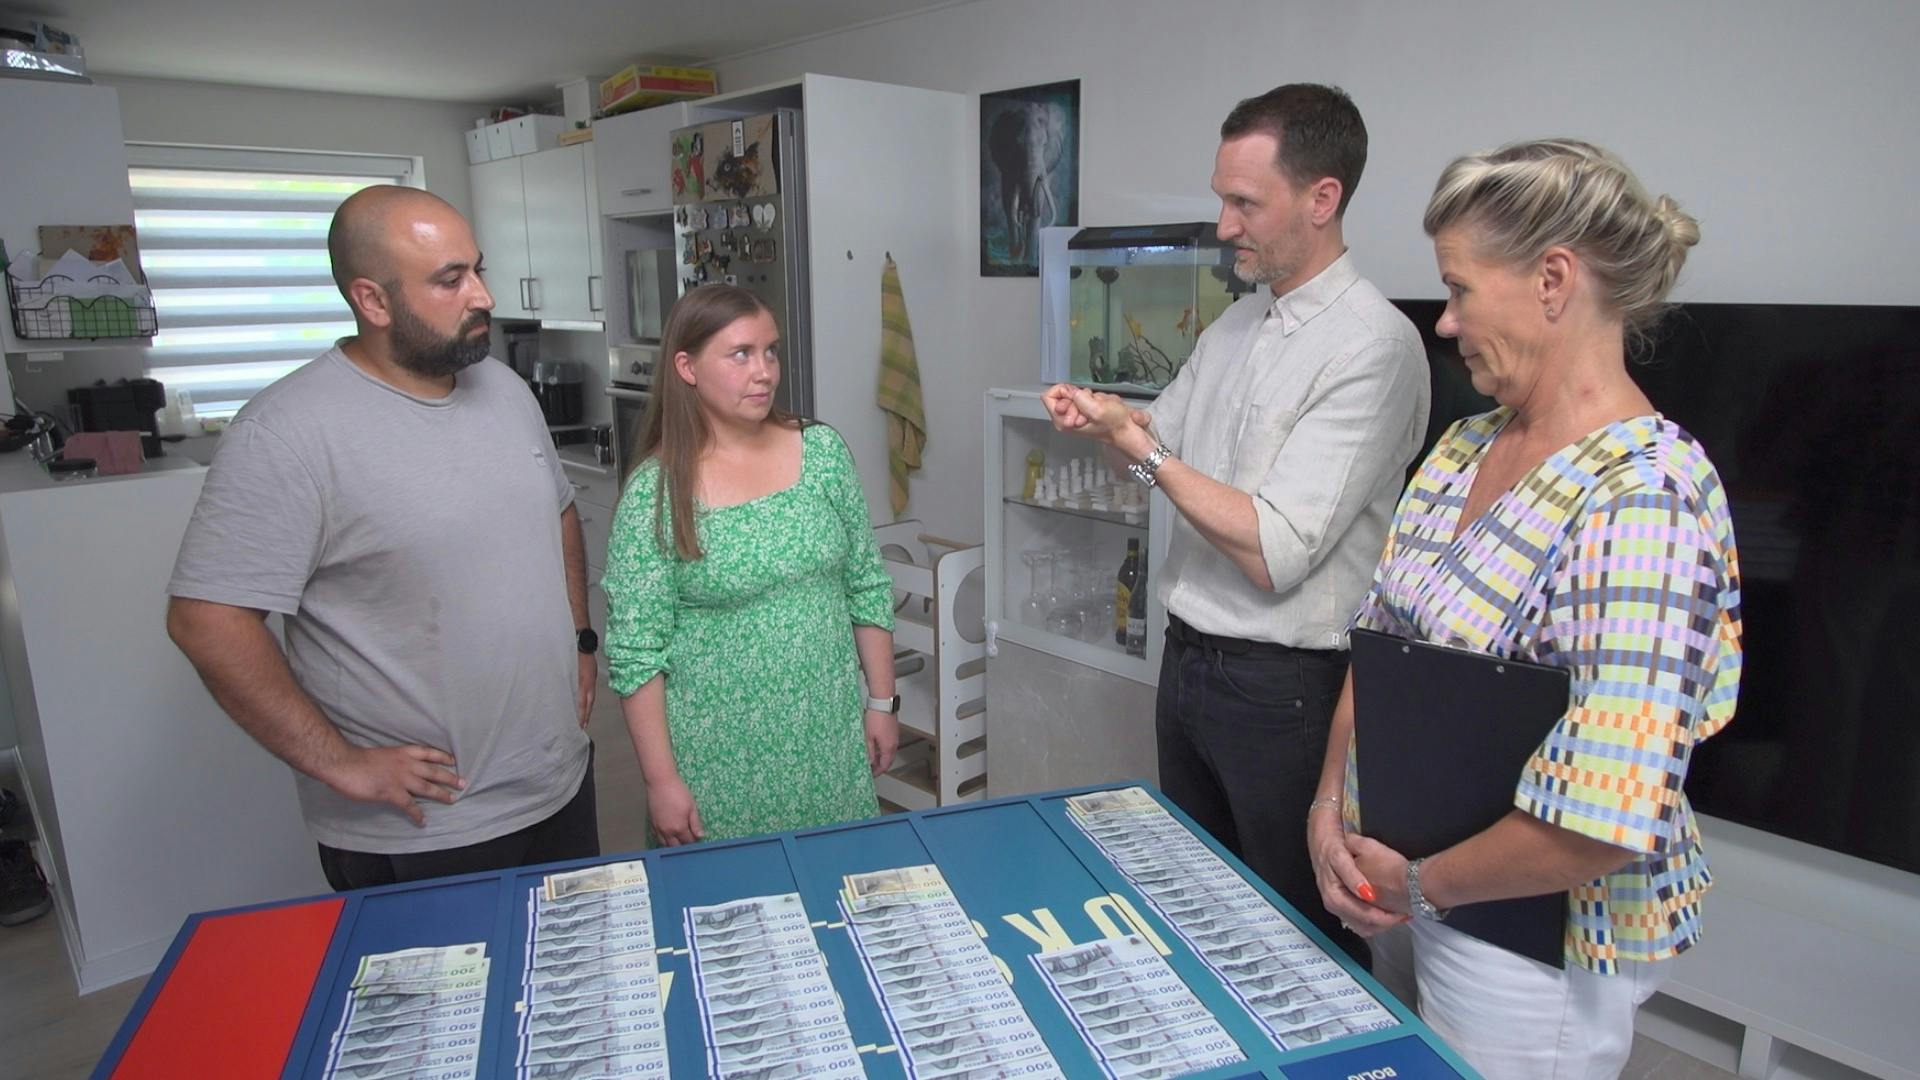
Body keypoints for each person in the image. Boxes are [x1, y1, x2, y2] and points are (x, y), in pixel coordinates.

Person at [1308, 139, 1743, 1078]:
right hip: (1401, 882)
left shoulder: (1645, 498)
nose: (1447, 319)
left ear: (1554, 279)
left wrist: (1422, 885)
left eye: (1461, 290)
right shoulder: (1466, 445)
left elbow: (1602, 813)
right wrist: (1327, 808)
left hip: (1525, 935)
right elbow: (1383, 646)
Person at [1044, 84, 1429, 957]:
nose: (1223, 225)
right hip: (1190, 661)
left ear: (1323, 198)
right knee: (1197, 902)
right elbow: (1154, 452)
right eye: (1223, 198)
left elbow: (1272, 551)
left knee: (1295, 931)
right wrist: (1107, 422)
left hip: (1284, 687)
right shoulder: (1236, 325)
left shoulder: (1373, 345)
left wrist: (1140, 449)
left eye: (1244, 202)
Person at [166, 186, 599, 891]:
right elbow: (205, 620)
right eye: (450, 279)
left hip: (558, 780)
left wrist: (580, 639)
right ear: (372, 300)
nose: (483, 295)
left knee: (570, 985)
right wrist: (339, 761)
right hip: (428, 824)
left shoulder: (505, 390)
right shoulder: (287, 433)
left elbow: (558, 514)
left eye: (477, 268)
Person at [602, 285, 898, 846]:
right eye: (740, 354)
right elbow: (637, 655)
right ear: (686, 367)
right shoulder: (657, 493)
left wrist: (881, 702)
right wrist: (660, 780)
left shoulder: (823, 453)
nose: (764, 371)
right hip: (718, 764)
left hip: (826, 742)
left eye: (771, 351)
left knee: (838, 890)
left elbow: (865, 582)